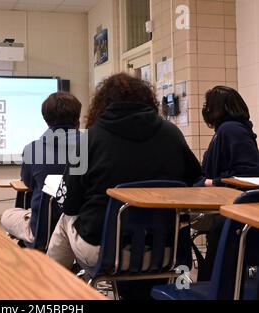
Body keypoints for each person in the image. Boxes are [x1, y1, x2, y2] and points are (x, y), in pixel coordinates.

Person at [46, 73, 202, 299]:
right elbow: (194, 182)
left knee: (65, 220)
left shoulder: (88, 140)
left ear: (101, 104)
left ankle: (48, 290)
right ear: (149, 100)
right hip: (167, 251)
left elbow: (70, 205)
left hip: (107, 252)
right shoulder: (172, 134)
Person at [195, 86, 259, 281]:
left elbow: (248, 171)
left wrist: (211, 182)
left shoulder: (230, 129)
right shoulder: (234, 129)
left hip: (229, 204)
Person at [1, 92, 82, 244]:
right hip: (81, 229)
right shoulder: (92, 146)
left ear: (46, 119)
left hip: (43, 230)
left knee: (8, 215)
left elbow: (28, 185)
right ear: (77, 117)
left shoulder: (32, 149)